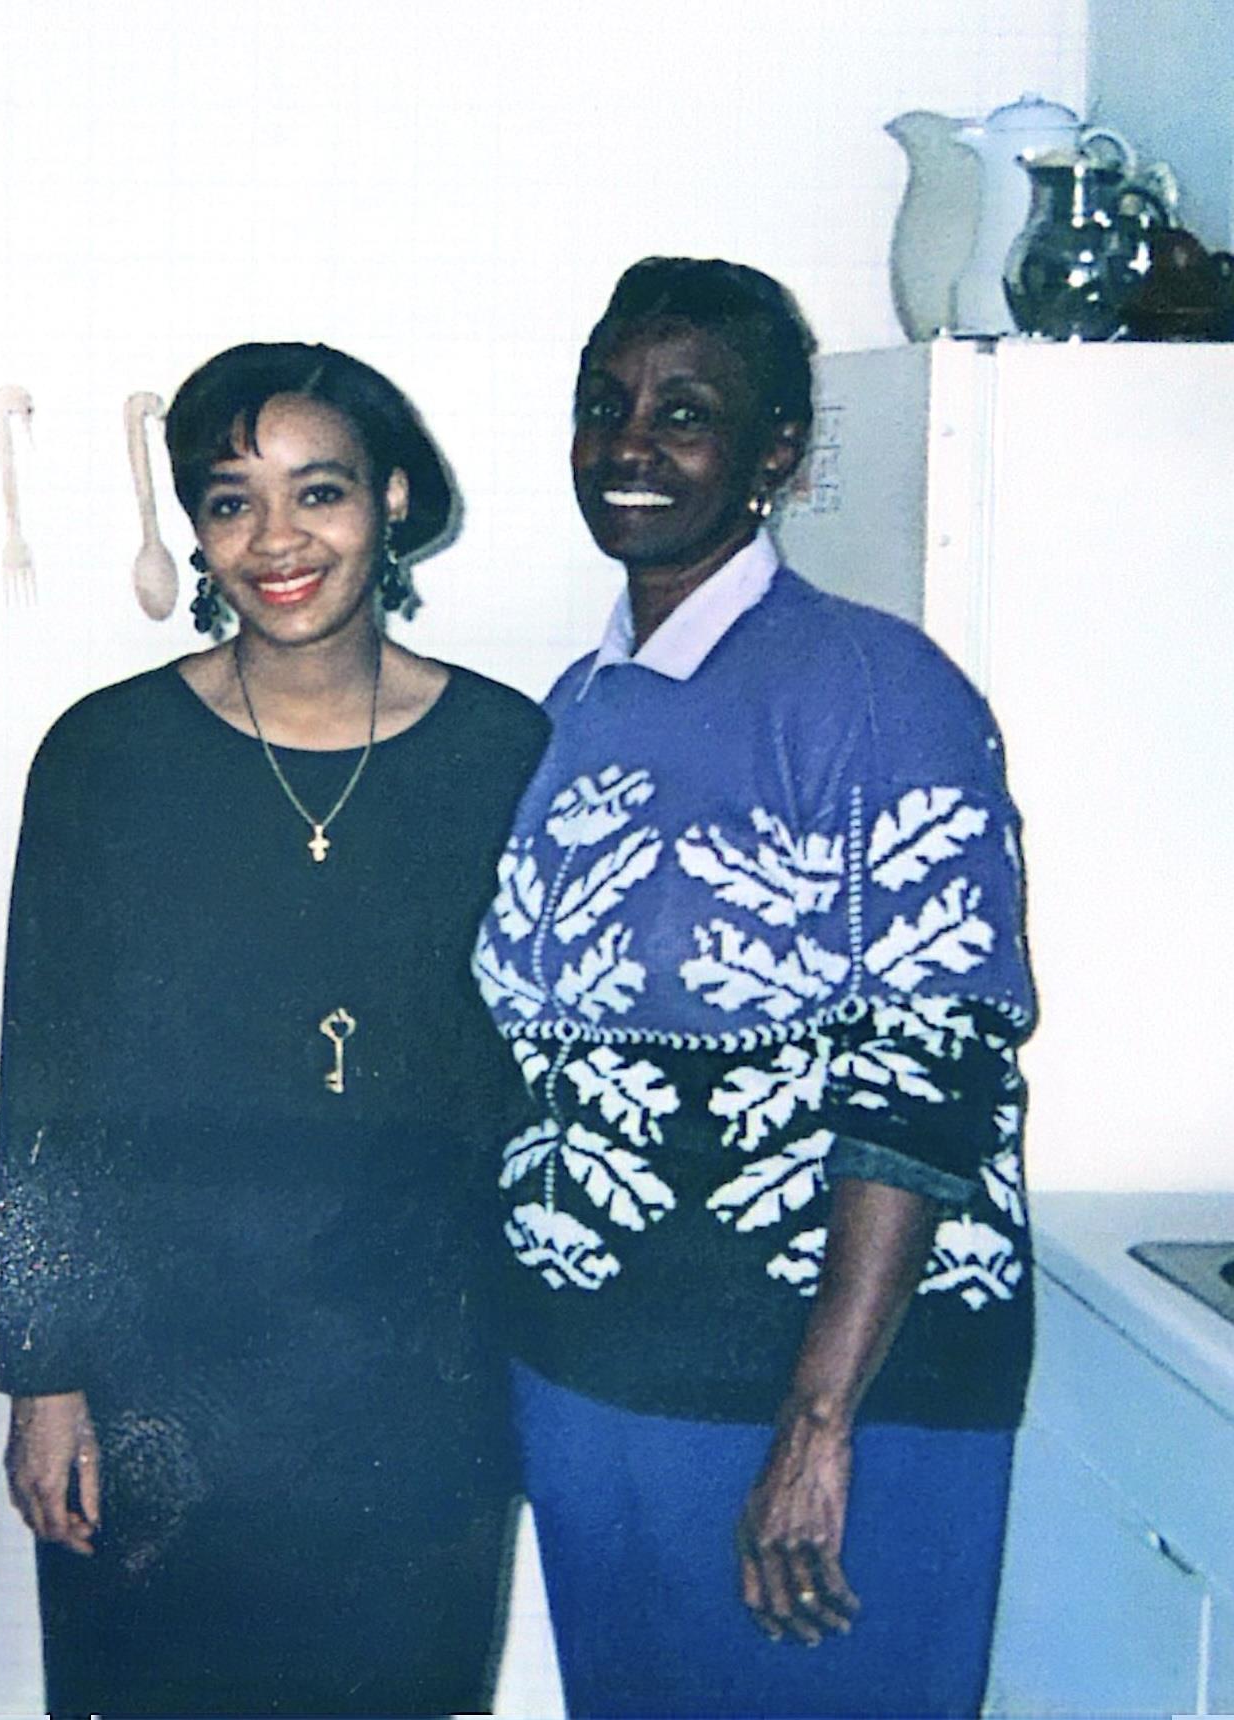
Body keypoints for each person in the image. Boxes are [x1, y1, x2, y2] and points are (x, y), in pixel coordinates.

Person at [473, 258, 1036, 1720]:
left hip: (830, 1401)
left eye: (685, 413)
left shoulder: (877, 691)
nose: (630, 446)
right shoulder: (571, 712)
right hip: (601, 1387)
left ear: (776, 453)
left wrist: (818, 1420)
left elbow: (928, 1067)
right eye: (606, 407)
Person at [0, 340, 549, 1718]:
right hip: (160, 1388)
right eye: (233, 501)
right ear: (197, 529)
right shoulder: (105, 756)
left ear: (397, 501)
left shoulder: (508, 753)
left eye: (323, 492)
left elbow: (544, 1089)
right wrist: (44, 1382)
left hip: (417, 1384)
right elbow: (45, 1082)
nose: (278, 540)